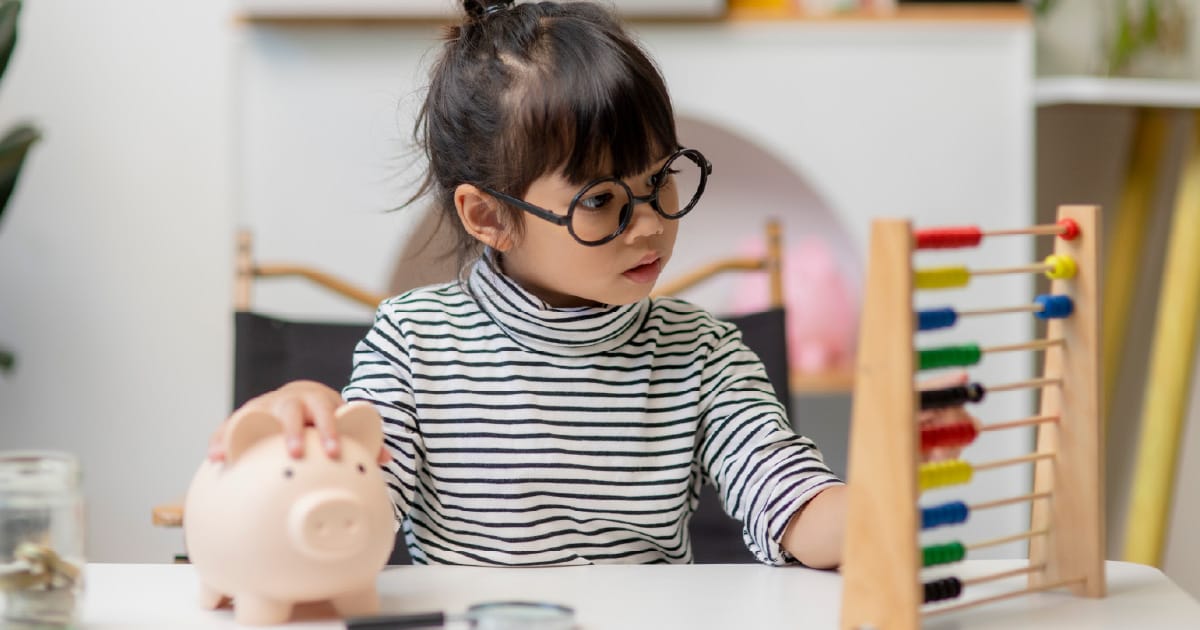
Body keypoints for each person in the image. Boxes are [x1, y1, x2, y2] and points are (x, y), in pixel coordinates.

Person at [209, 0, 972, 569]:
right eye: (600, 202)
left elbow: (789, 502)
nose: (648, 227)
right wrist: (302, 445)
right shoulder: (414, 343)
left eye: (660, 183)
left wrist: (883, 511)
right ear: (489, 218)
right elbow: (355, 515)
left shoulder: (704, 354)